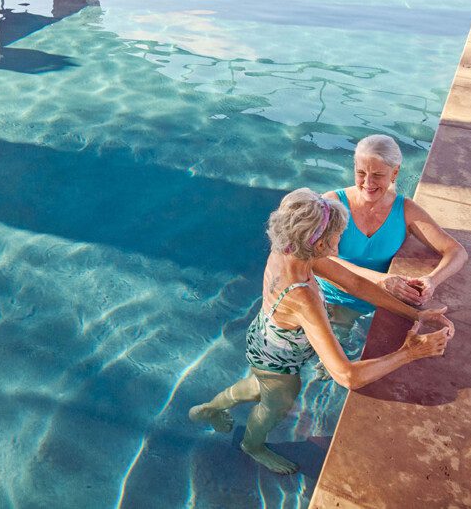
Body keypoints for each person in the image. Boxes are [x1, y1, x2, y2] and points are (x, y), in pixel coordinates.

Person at [189, 188, 453, 474]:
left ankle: (210, 408)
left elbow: (355, 283)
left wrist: (415, 313)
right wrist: (411, 352)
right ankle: (252, 445)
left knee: (257, 386)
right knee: (277, 402)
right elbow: (347, 376)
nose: (342, 236)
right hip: (280, 360)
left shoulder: (292, 249)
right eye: (339, 233)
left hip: (264, 338)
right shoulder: (303, 297)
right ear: (319, 244)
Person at [318, 134, 469, 326]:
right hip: (331, 299)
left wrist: (431, 280)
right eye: (361, 173)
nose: (368, 183)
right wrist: (381, 280)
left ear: (395, 173)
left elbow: (457, 252)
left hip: (381, 303)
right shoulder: (333, 203)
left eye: (378, 175)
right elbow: (322, 260)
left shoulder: (405, 211)